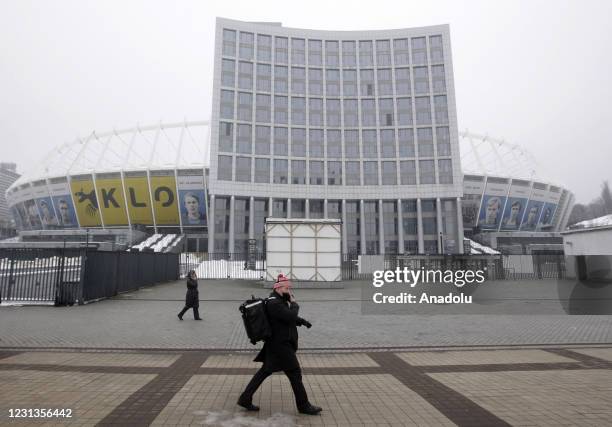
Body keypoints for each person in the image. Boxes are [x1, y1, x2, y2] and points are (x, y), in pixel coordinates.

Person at [237, 274, 322, 415]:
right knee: (295, 372)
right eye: (287, 288)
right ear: (278, 288)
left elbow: (286, 318)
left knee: (265, 371)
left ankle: (245, 398)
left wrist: (302, 321)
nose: (289, 291)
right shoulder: (274, 303)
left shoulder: (278, 301)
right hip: (281, 345)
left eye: (289, 288)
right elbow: (289, 316)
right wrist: (294, 303)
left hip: (277, 344)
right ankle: (304, 405)